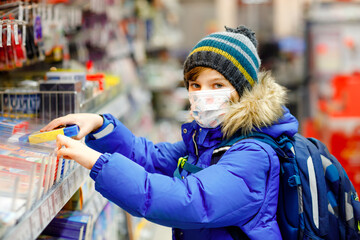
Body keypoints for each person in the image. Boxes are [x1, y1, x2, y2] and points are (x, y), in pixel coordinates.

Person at [42, 25, 298, 239]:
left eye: (217, 84)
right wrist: (101, 126)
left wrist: (98, 163)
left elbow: (190, 201)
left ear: (245, 91)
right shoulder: (208, 140)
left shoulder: (253, 153)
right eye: (195, 84)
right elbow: (152, 158)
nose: (202, 95)